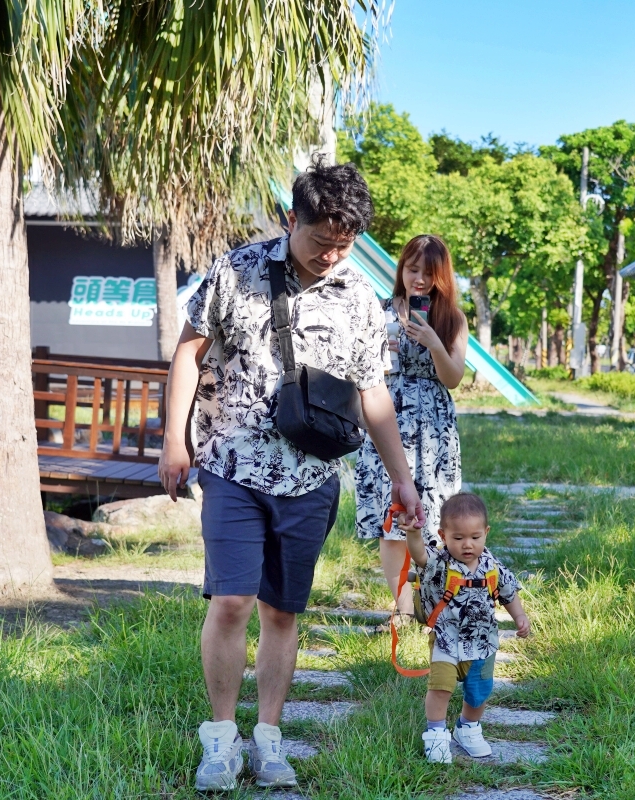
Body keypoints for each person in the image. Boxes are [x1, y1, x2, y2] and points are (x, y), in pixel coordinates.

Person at [158, 157, 426, 792]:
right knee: (230, 600)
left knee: (282, 612)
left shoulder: (360, 298)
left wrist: (402, 479)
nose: (332, 255)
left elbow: (373, 394)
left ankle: (270, 738)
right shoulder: (237, 270)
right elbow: (189, 353)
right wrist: (174, 440)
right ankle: (220, 739)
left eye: (344, 245)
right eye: (321, 240)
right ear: (291, 220)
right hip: (231, 464)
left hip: (311, 476)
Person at [354, 235, 468, 617]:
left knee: (433, 516)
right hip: (387, 419)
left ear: (441, 277)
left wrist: (435, 342)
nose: (417, 279)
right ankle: (403, 606)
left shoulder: (451, 318)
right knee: (392, 518)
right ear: (401, 269)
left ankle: (435, 599)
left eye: (427, 272)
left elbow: (453, 378)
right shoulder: (379, 311)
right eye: (411, 268)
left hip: (432, 430)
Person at [402, 492, 530, 763]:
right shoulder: (441, 562)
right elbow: (420, 556)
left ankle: (468, 728)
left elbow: (508, 591)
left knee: (478, 691)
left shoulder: (491, 565)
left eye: (475, 537)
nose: (467, 544)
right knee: (441, 687)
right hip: (446, 640)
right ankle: (436, 734)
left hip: (483, 643)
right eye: (458, 538)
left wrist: (519, 616)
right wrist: (413, 534)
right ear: (444, 535)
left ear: (486, 532)